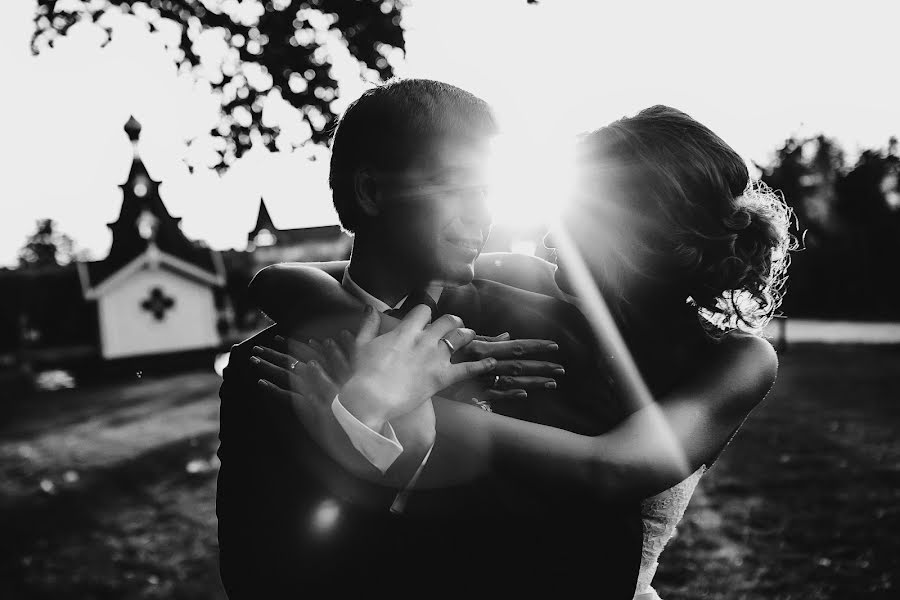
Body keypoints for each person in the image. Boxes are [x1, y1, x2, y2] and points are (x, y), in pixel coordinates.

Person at [250, 105, 794, 599]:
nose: (549, 233)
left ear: (641, 236)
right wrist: (400, 347)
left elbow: (610, 469)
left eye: (579, 218)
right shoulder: (526, 282)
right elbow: (280, 280)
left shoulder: (738, 361)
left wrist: (408, 399)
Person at [217, 78, 645, 597]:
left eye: (488, 190)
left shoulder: (548, 332)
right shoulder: (264, 365)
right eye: (456, 186)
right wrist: (374, 442)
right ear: (372, 192)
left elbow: (607, 544)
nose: (482, 212)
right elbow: (259, 578)